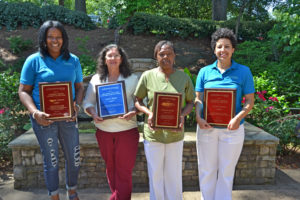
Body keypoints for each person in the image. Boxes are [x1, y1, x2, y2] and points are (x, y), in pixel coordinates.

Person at [18, 20, 84, 200]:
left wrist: (76, 106)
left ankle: (72, 191)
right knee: (52, 161)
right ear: (44, 39)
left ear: (64, 39)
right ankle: (54, 196)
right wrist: (35, 113)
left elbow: (79, 87)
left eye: (58, 37)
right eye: (50, 37)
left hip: (68, 118)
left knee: (74, 158)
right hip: (43, 120)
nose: (55, 41)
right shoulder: (33, 61)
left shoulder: (73, 60)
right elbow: (23, 91)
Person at [195, 28, 255, 200]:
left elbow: (250, 101)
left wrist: (238, 118)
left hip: (233, 129)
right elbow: (198, 99)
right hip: (207, 128)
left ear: (233, 49)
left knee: (226, 171)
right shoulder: (204, 72)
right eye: (219, 46)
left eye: (227, 46)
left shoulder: (244, 72)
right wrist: (198, 117)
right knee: (207, 169)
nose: (223, 50)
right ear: (214, 49)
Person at [134, 40, 195, 200]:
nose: (165, 57)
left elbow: (191, 102)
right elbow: (137, 100)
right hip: (153, 134)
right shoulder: (148, 76)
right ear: (156, 56)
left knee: (173, 174)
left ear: (175, 56)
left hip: (175, 134)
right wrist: (149, 113)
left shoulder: (183, 78)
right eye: (161, 54)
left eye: (169, 53)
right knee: (155, 174)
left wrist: (182, 116)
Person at [82, 44, 140, 200]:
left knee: (124, 170)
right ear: (104, 59)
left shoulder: (132, 79)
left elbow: (142, 103)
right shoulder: (96, 79)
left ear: (121, 59)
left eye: (116, 55)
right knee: (111, 168)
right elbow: (87, 103)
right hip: (104, 131)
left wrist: (133, 112)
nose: (113, 58)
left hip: (127, 130)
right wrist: (93, 113)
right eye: (109, 56)